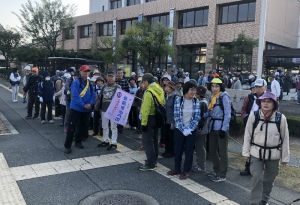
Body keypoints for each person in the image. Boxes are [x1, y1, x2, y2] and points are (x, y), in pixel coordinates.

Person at [242, 92, 289, 205]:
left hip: (274, 153)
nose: (266, 104)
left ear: (274, 104)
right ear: (260, 103)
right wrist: (246, 152)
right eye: (263, 101)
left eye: (269, 102)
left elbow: (285, 138)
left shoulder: (280, 118)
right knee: (256, 177)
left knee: (268, 180)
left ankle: (264, 200)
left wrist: (285, 157)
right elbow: (247, 134)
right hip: (256, 152)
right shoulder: (254, 115)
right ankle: (255, 202)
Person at [167, 81, 200, 179]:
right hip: (179, 129)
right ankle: (177, 168)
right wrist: (183, 129)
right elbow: (177, 116)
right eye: (191, 89)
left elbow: (197, 117)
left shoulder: (196, 101)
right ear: (186, 90)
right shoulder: (179, 100)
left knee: (189, 150)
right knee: (178, 149)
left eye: (194, 90)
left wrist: (190, 129)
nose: (193, 92)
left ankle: (186, 170)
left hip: (191, 130)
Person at [64, 65, 95, 154]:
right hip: (76, 108)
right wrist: (83, 105)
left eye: (87, 71)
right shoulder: (76, 83)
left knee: (83, 127)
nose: (86, 73)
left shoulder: (89, 83)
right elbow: (75, 95)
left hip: (86, 109)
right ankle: (68, 146)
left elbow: (93, 95)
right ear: (80, 72)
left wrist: (90, 103)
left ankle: (78, 141)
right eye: (84, 71)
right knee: (72, 128)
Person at [240, 79, 267, 176]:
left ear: (265, 87)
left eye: (260, 87)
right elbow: (243, 109)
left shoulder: (268, 98)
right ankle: (247, 167)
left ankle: (258, 169)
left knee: (260, 146)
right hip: (249, 125)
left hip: (262, 126)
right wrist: (245, 117)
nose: (258, 89)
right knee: (248, 145)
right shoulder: (250, 97)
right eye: (256, 87)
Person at [206, 78, 231, 182]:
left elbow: (227, 114)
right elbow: (210, 112)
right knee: (212, 150)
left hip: (221, 127)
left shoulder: (224, 96)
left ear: (221, 87)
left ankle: (222, 175)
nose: (214, 88)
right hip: (212, 127)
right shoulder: (212, 97)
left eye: (216, 86)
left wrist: (224, 129)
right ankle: (216, 170)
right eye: (212, 86)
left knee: (223, 152)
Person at [138, 73, 165, 171]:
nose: (143, 84)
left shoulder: (149, 92)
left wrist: (144, 123)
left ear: (146, 81)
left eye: (143, 82)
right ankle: (154, 160)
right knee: (154, 140)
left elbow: (146, 110)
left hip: (149, 118)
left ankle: (150, 163)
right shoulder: (160, 89)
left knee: (147, 141)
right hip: (157, 118)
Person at [98, 71, 121, 150]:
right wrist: (100, 108)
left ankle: (114, 142)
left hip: (113, 110)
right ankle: (106, 140)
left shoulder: (118, 87)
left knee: (113, 127)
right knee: (104, 126)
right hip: (104, 109)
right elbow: (101, 98)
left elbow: (120, 100)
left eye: (112, 77)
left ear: (115, 78)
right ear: (107, 78)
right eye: (109, 77)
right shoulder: (104, 86)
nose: (110, 79)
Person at [192, 85, 209, 172]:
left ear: (198, 94)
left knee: (200, 147)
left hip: (201, 129)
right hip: (200, 128)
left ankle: (201, 165)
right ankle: (199, 163)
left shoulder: (202, 103)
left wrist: (199, 127)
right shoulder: (202, 102)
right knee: (199, 147)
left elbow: (203, 117)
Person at [161, 80, 177, 158]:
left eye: (168, 87)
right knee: (166, 136)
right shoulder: (165, 96)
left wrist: (173, 122)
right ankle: (166, 150)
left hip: (171, 120)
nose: (166, 88)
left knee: (171, 137)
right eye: (165, 86)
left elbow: (175, 110)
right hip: (165, 119)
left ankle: (171, 152)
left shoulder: (175, 97)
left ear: (172, 88)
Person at [115, 69, 129, 134]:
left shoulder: (125, 82)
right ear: (116, 74)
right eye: (118, 73)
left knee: (121, 114)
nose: (120, 74)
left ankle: (120, 128)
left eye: (121, 73)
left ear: (123, 74)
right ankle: (114, 127)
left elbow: (127, 91)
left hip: (123, 100)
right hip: (115, 100)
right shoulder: (114, 81)